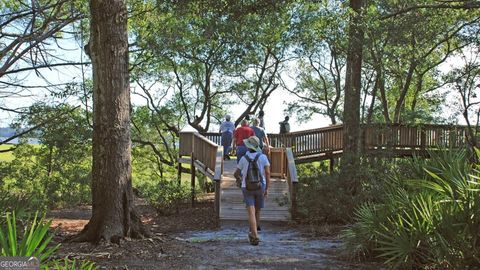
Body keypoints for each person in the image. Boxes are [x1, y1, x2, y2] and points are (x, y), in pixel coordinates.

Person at [234, 136, 270, 246]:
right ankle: (255, 230)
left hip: (247, 187)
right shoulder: (263, 157)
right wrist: (267, 188)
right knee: (257, 210)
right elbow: (268, 173)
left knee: (251, 211)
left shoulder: (243, 158)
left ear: (248, 147)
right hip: (260, 186)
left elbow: (236, 173)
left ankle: (254, 235)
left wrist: (239, 179)